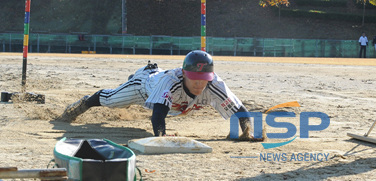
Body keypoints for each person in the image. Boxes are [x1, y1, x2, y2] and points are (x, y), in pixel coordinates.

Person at [59, 50, 262, 141]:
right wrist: (161, 137)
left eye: (204, 77)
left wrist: (247, 132)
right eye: (194, 77)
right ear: (184, 74)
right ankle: (85, 103)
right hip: (144, 86)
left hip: (175, 102)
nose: (199, 82)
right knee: (111, 100)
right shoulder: (170, 83)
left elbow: (239, 109)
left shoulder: (214, 84)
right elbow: (157, 114)